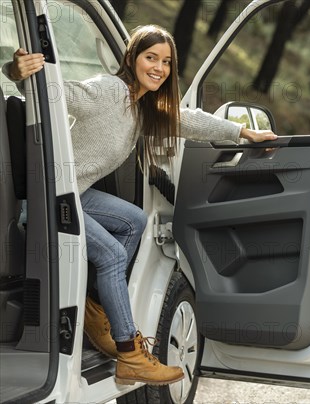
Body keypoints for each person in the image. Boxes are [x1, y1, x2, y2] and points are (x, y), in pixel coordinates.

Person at [3, 25, 277, 386]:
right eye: (151, 58)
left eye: (166, 62)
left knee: (134, 220)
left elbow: (188, 121)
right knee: (113, 255)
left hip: (74, 190)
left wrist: (244, 134)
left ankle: (95, 308)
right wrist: (17, 72)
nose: (159, 68)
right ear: (132, 58)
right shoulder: (109, 90)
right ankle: (130, 353)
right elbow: (55, 94)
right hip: (47, 198)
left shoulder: (142, 108)